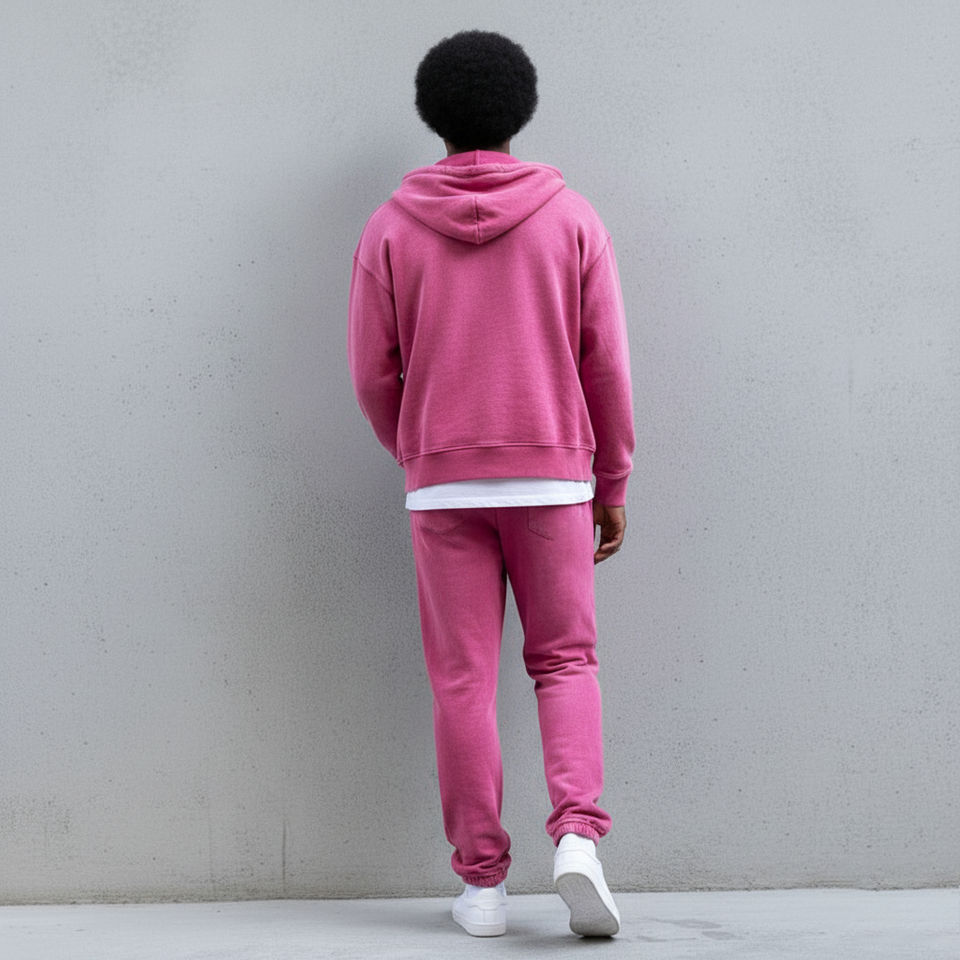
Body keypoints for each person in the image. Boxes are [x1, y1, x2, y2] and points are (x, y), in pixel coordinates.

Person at [347, 29, 635, 938]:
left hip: (444, 485)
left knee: (462, 681)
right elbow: (606, 364)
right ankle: (578, 839)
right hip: (553, 479)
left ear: (433, 117)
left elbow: (371, 370)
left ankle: (481, 888)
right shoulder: (572, 218)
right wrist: (612, 478)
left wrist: (419, 450)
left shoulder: (391, 227)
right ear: (521, 112)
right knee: (565, 662)